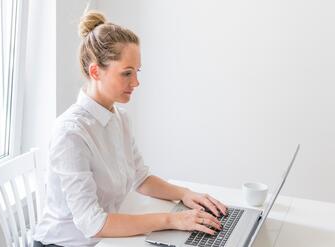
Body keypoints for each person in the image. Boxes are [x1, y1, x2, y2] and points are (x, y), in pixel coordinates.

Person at [33, 10, 228, 247]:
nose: (136, 82)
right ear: (95, 72)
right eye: (126, 73)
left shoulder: (120, 118)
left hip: (105, 240)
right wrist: (172, 220)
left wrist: (185, 194)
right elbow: (93, 224)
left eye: (137, 72)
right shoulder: (71, 133)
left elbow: (141, 177)